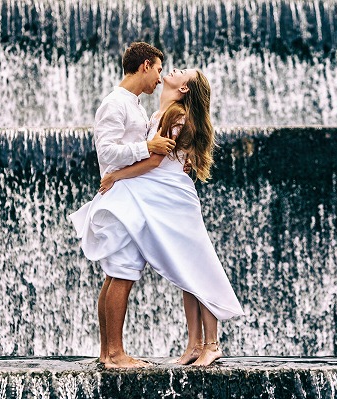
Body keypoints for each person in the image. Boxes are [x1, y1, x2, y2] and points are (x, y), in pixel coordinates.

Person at [72, 67, 244, 367]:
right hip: (161, 197)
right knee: (186, 272)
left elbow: (153, 161)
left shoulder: (174, 115)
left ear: (186, 89)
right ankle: (193, 345)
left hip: (173, 199)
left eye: (181, 72)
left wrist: (115, 176)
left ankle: (211, 344)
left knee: (199, 268)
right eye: (164, 68)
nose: (172, 70)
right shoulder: (157, 114)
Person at [70, 42, 176, 369]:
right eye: (158, 69)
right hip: (121, 198)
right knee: (123, 272)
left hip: (128, 195)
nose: (160, 78)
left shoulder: (133, 105)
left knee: (116, 273)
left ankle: (108, 352)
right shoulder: (114, 104)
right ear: (145, 65)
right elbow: (107, 154)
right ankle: (115, 354)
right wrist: (149, 145)